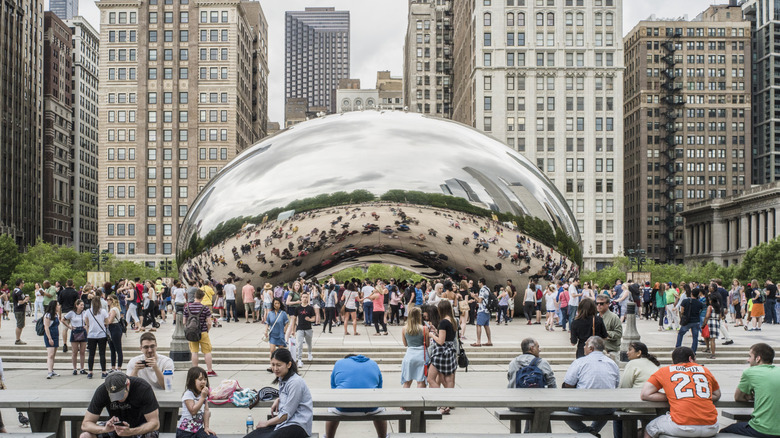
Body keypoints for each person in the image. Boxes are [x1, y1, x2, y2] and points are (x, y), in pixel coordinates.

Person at [641, 347, 720, 438]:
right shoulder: (704, 370)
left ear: (673, 361)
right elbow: (717, 394)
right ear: (691, 359)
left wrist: (673, 395)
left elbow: (645, 394)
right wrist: (696, 395)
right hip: (711, 426)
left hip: (681, 426)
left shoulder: (665, 371)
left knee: (650, 428)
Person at [245, 348, 312, 438]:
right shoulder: (283, 378)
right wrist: (279, 399)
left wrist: (267, 423)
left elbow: (286, 414)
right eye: (273, 365)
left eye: (278, 365)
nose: (275, 369)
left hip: (297, 425)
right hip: (284, 424)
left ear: (288, 364)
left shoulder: (295, 382)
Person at [562, 336, 619, 436]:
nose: (583, 347)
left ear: (591, 348)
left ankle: (587, 432)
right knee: (606, 409)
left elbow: (568, 384)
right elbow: (615, 384)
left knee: (561, 410)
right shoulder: (612, 363)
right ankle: (593, 431)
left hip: (583, 406)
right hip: (607, 407)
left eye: (585, 345)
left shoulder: (580, 362)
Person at [721, 343, 780, 438]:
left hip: (762, 429)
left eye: (750, 356)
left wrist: (749, 396)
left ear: (758, 358)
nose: (748, 360)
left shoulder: (750, 372)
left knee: (725, 431)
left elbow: (738, 397)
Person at [79, 372, 160, 438]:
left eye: (121, 394)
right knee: (85, 436)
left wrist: (131, 432)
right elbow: (86, 424)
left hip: (139, 427)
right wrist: (104, 429)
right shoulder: (102, 390)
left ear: (127, 384)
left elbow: (155, 423)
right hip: (115, 427)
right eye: (114, 396)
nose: (118, 399)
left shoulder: (142, 388)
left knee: (151, 435)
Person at [325, 354, 386, 438]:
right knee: (381, 410)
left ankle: (329, 436)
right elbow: (379, 388)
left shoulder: (339, 363)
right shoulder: (373, 364)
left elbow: (333, 388)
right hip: (371, 407)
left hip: (342, 406)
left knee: (331, 410)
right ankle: (382, 436)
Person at [614, 342, 660, 438]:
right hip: (655, 406)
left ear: (639, 353)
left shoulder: (632, 363)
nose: (627, 353)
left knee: (617, 414)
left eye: (630, 350)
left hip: (636, 405)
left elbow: (625, 387)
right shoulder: (655, 364)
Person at [428, 300, 458, 395]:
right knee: (448, 380)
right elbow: (447, 337)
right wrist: (436, 331)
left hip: (441, 352)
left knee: (430, 379)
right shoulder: (453, 320)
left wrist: (432, 335)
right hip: (450, 351)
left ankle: (443, 398)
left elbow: (441, 341)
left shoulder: (443, 322)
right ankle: (448, 402)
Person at [177, 366, 216, 438]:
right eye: (200, 379)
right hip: (185, 431)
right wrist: (202, 398)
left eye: (205, 379)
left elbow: (206, 411)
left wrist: (206, 427)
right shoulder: (188, 394)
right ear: (192, 381)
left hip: (198, 430)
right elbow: (193, 411)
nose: (203, 382)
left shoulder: (203, 394)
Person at [185, 289, 217, 377]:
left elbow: (184, 322)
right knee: (207, 351)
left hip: (192, 333)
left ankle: (195, 371)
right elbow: (209, 322)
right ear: (202, 297)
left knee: (194, 352)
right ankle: (209, 370)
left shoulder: (187, 308)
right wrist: (207, 330)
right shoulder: (205, 308)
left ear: (195, 296)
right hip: (203, 332)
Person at [401, 307, 428, 388]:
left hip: (409, 356)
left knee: (407, 382)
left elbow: (405, 344)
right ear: (419, 316)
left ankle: (405, 399)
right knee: (421, 381)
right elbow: (427, 344)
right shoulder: (424, 329)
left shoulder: (404, 329)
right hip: (421, 357)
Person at [84, 296, 109, 379]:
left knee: (91, 354)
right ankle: (103, 372)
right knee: (102, 353)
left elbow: (87, 323)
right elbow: (107, 322)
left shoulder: (88, 311)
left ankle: (90, 372)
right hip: (102, 334)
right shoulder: (103, 311)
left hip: (91, 335)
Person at [62, 298, 88, 375]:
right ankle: (74, 368)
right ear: (76, 305)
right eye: (81, 305)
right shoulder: (71, 313)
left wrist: (86, 326)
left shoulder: (85, 312)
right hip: (75, 331)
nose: (82, 306)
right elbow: (63, 319)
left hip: (82, 330)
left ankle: (82, 368)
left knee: (82, 351)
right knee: (74, 351)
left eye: (83, 305)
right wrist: (70, 327)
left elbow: (88, 320)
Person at [594, 294, 622, 361]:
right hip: (597, 352)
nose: (598, 305)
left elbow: (618, 334)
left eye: (601, 303)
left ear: (608, 304)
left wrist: (605, 333)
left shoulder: (614, 317)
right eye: (596, 303)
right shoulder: (594, 317)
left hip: (611, 351)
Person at [676, 287, 705, 353]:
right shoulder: (699, 303)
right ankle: (693, 350)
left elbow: (682, 310)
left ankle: (678, 347)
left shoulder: (685, 301)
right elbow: (701, 310)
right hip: (696, 321)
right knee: (695, 337)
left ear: (691, 293)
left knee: (680, 334)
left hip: (687, 321)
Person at [266, 298, 289, 370]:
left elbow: (287, 322)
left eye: (278, 303)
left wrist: (284, 330)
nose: (276, 305)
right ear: (273, 304)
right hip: (273, 334)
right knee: (272, 350)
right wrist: (266, 331)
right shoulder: (270, 313)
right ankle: (272, 365)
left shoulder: (283, 313)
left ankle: (281, 365)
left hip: (280, 334)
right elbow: (267, 323)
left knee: (280, 351)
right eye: (275, 303)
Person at [294, 292, 315, 367]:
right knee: (299, 344)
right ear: (301, 298)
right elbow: (294, 318)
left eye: (306, 297)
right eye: (303, 297)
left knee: (309, 343)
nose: (305, 298)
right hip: (300, 328)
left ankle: (310, 353)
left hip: (308, 328)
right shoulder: (298, 308)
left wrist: (309, 319)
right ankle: (299, 359)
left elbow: (314, 318)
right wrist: (293, 330)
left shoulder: (310, 308)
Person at [471, 278, 493, 347]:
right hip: (487, 310)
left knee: (478, 325)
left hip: (482, 309)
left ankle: (478, 341)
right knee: (486, 326)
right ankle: (489, 341)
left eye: (478, 282)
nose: (478, 284)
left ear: (481, 283)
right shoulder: (487, 289)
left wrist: (474, 296)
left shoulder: (482, 289)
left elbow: (480, 301)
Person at [42, 300, 61, 379]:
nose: (59, 306)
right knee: (50, 354)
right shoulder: (48, 315)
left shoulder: (56, 315)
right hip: (49, 335)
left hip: (55, 334)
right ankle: (49, 371)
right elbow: (46, 327)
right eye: (57, 305)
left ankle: (52, 370)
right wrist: (49, 338)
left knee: (54, 354)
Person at [106, 295, 124, 373]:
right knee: (112, 349)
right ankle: (113, 367)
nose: (107, 301)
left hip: (114, 328)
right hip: (112, 328)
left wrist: (104, 322)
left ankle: (118, 367)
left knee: (117, 348)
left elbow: (110, 320)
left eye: (108, 299)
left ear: (112, 300)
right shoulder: (111, 309)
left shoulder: (113, 309)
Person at [12, 279, 29, 345]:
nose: (23, 284)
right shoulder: (19, 292)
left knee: (19, 324)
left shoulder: (14, 290)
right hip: (19, 310)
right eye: (23, 283)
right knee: (19, 325)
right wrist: (26, 300)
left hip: (16, 309)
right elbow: (20, 301)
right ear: (20, 283)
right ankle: (17, 339)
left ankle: (18, 339)